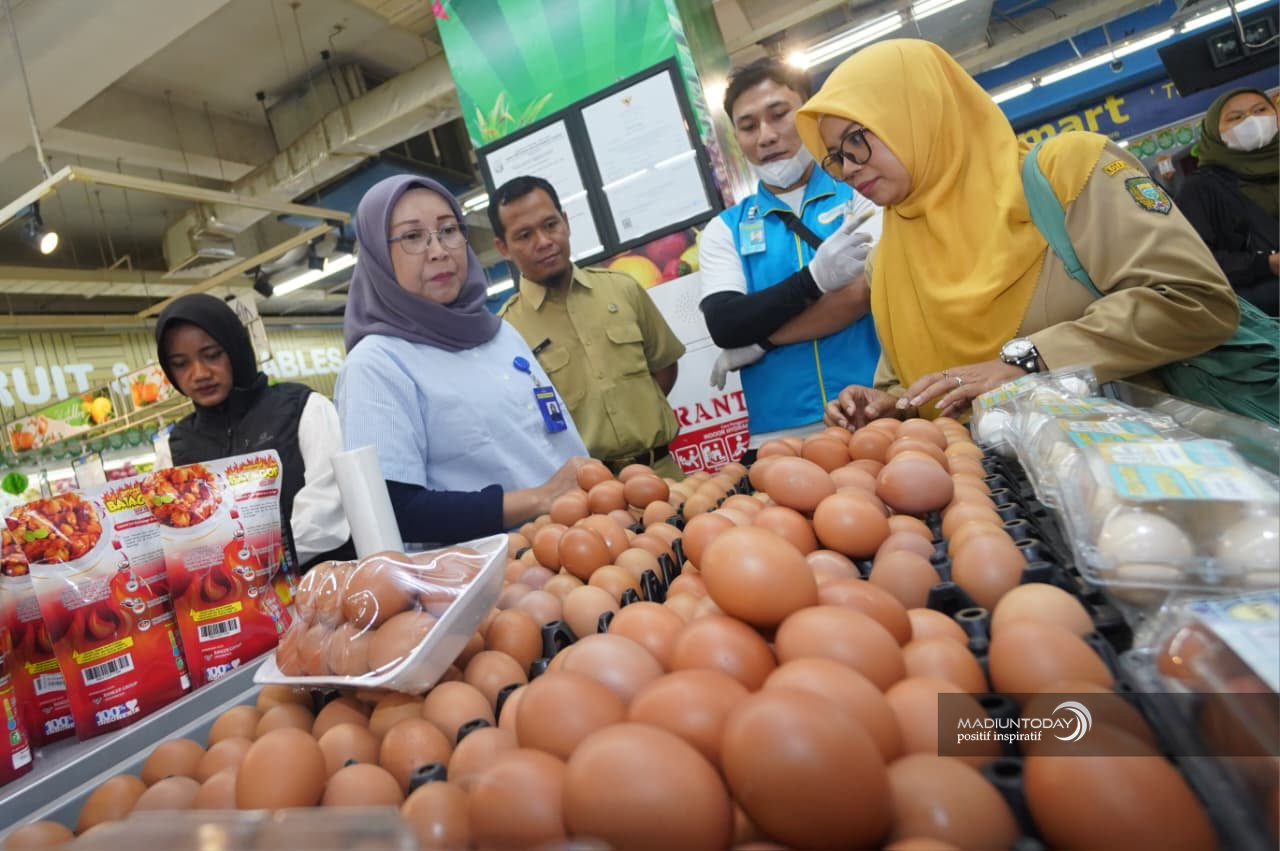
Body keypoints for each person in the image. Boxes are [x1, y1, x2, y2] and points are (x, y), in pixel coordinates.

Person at [791, 39, 1242, 427]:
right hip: (1000, 494)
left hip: (1137, 463)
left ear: (919, 113)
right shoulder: (887, 261)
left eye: (856, 140)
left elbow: (1193, 298)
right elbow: (915, 383)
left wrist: (1031, 361)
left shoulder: (1068, 173)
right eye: (835, 157)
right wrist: (893, 405)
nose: (849, 168)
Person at [337, 175, 588, 546]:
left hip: (575, 536)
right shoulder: (377, 364)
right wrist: (540, 498)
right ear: (378, 255)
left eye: (448, 230)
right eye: (412, 237)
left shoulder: (499, 334)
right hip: (495, 568)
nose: (438, 250)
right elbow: (394, 509)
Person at [697, 57, 883, 448]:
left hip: (873, 405)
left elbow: (863, 293)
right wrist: (813, 281)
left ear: (810, 115)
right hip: (777, 432)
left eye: (779, 115)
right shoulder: (725, 229)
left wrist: (760, 342)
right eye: (749, 126)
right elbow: (726, 324)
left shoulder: (862, 192)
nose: (766, 136)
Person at [491, 175, 687, 479]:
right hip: (584, 492)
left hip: (663, 474)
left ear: (566, 222)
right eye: (525, 235)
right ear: (503, 248)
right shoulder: (506, 333)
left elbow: (664, 367)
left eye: (550, 225)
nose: (544, 241)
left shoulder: (622, 289)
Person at [155, 293, 354, 570]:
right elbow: (171, 536)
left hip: (323, 585)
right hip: (227, 594)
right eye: (181, 364)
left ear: (236, 350)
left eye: (212, 355)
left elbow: (328, 508)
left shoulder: (302, 408)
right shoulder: (175, 448)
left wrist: (253, 562)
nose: (199, 373)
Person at [1174, 87, 1278, 316]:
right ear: (1214, 131)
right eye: (1236, 117)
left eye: (1261, 110)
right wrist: (1266, 264)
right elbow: (1193, 260)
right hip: (1266, 313)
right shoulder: (1200, 188)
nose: (1252, 120)